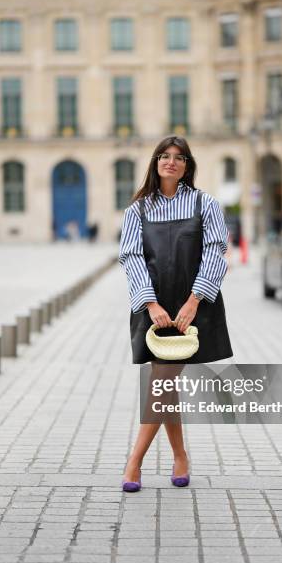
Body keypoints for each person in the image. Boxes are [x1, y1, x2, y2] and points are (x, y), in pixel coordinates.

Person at [118, 135, 233, 492]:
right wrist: (151, 304)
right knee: (165, 385)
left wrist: (194, 300)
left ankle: (133, 462)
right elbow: (131, 257)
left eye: (179, 157)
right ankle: (180, 456)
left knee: (162, 383)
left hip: (192, 303)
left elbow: (216, 250)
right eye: (164, 156)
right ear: (155, 163)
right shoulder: (137, 210)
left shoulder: (205, 203)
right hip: (154, 307)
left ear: (187, 166)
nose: (171, 162)